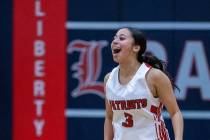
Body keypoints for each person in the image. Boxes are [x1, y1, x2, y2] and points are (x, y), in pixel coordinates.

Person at [104, 27, 183, 140]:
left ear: (136, 47)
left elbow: (175, 113)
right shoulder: (109, 79)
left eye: (122, 38)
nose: (115, 41)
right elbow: (109, 117)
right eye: (114, 38)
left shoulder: (153, 76)